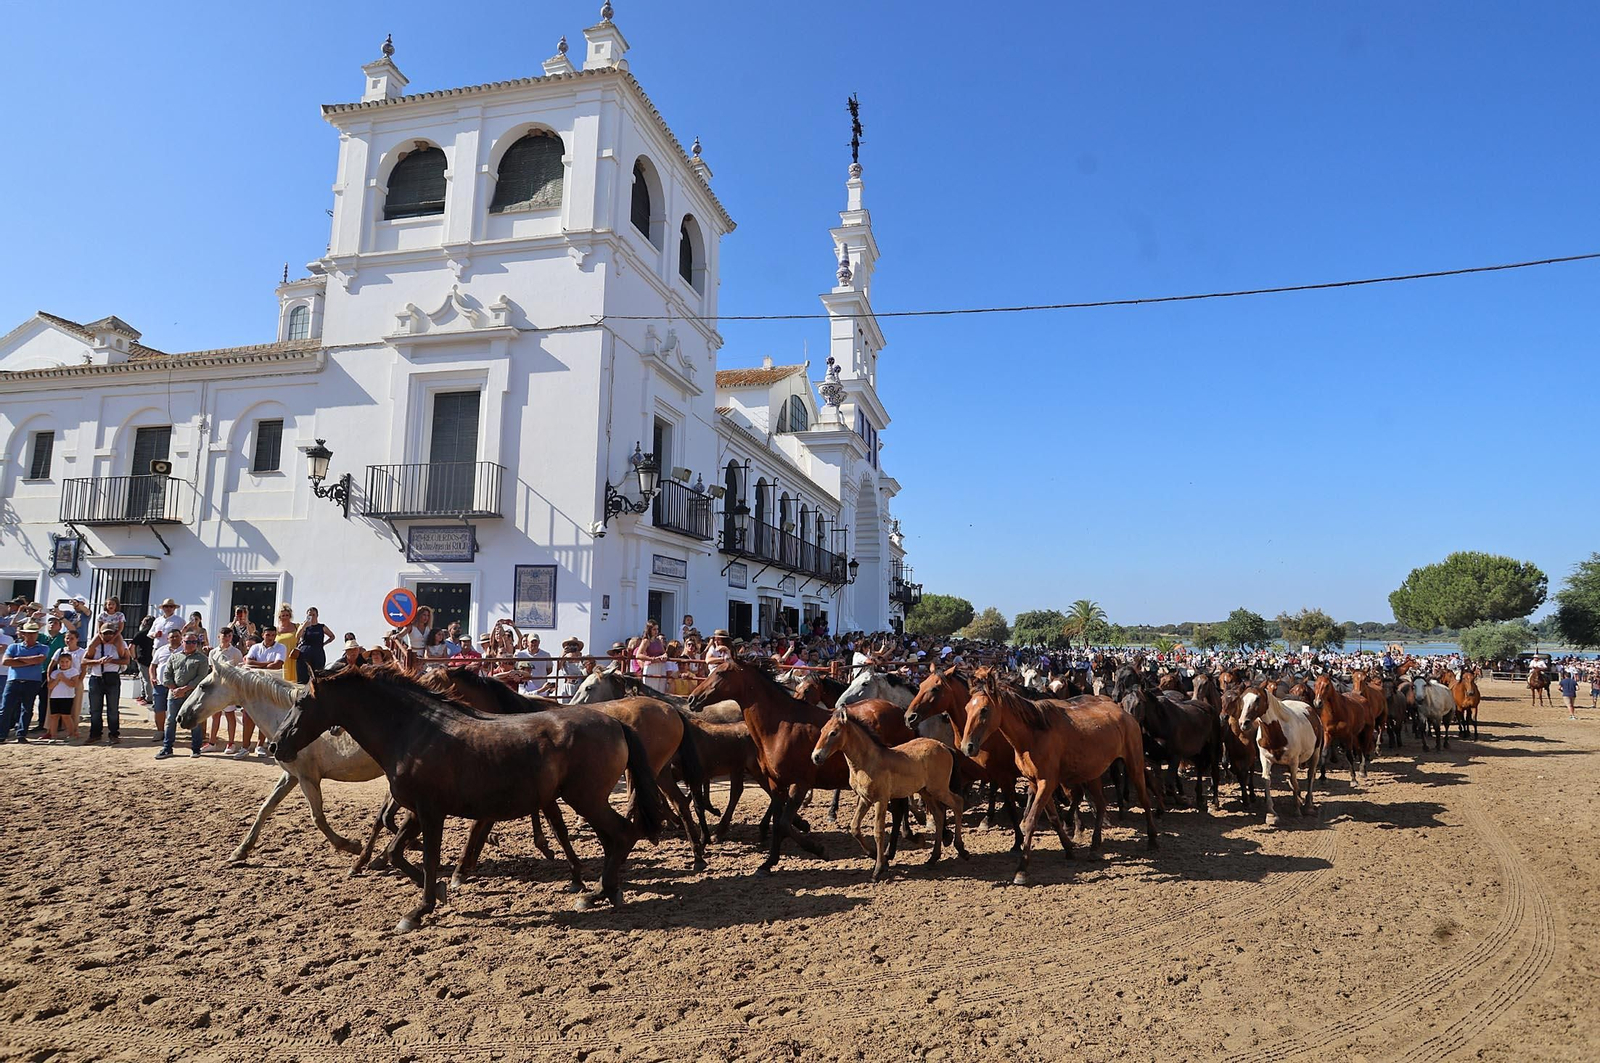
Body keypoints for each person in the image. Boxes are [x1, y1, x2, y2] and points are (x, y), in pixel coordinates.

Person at [155, 632, 209, 759]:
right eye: (188, 642)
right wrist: (174, 689)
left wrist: (184, 689)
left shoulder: (202, 659)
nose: (191, 644)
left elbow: (201, 677)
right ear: (182, 642)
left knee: (194, 721)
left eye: (194, 642)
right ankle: (167, 748)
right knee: (170, 721)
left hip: (192, 696)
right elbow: (167, 675)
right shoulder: (174, 657)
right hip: (174, 695)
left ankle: (196, 748)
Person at [238, 626, 287, 757]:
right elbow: (248, 661)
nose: (270, 637)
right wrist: (267, 664)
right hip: (254, 685)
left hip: (271, 687)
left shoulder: (281, 647)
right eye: (268, 634)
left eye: (272, 635)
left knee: (265, 717)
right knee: (248, 717)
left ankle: (260, 745)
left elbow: (277, 665)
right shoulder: (255, 647)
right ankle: (245, 747)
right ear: (263, 635)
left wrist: (257, 664)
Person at [0, 621, 49, 742]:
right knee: (6, 708)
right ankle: (2, 734)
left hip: (31, 681)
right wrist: (29, 661)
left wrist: (17, 660)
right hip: (14, 680)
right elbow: (6, 662)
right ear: (23, 634)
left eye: (34, 633)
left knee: (27, 709)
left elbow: (39, 660)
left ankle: (21, 734)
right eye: (29, 633)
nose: (32, 636)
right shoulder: (14, 646)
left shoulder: (43, 647)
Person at [82, 623, 130, 744]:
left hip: (112, 677)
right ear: (100, 633)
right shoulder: (95, 645)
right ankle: (95, 734)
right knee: (95, 709)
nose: (108, 635)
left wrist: (111, 661)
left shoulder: (119, 644)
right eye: (105, 633)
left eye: (111, 633)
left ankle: (114, 734)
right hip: (96, 677)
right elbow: (84, 660)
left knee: (113, 709)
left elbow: (127, 660)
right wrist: (98, 661)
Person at [202, 626, 244, 754]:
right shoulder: (213, 652)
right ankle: (212, 742)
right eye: (224, 635)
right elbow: (211, 670)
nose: (226, 638)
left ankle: (231, 743)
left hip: (229, 689)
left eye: (229, 636)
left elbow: (239, 670)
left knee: (230, 715)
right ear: (219, 636)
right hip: (216, 688)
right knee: (215, 715)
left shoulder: (236, 652)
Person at [42, 628, 85, 742]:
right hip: (57, 682)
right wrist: (49, 678)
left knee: (74, 708)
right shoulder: (60, 650)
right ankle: (51, 731)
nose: (69, 640)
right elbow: (51, 665)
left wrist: (78, 681)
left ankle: (73, 731)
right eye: (67, 638)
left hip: (74, 681)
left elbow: (84, 668)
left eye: (72, 638)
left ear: (77, 639)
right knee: (52, 709)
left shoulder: (81, 652)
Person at [149, 628, 183, 743]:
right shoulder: (161, 650)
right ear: (167, 638)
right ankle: (160, 731)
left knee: (174, 710)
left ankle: (171, 732)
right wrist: (152, 677)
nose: (174, 638)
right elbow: (153, 666)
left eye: (176, 636)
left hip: (176, 686)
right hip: (160, 684)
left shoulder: (185, 649)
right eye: (172, 637)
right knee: (159, 708)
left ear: (181, 637)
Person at [295, 606, 332, 681]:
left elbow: (332, 636)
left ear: (317, 615)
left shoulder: (321, 627)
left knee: (318, 674)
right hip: (305, 651)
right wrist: (304, 626)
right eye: (309, 615)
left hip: (318, 652)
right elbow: (297, 636)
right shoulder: (303, 626)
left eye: (313, 615)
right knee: (303, 674)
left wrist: (324, 644)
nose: (311, 617)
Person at [130, 615, 156, 706]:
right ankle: (143, 695)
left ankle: (149, 698)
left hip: (142, 659)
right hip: (154, 659)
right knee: (143, 677)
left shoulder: (141, 633)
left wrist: (134, 657)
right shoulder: (155, 634)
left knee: (146, 679)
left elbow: (131, 647)